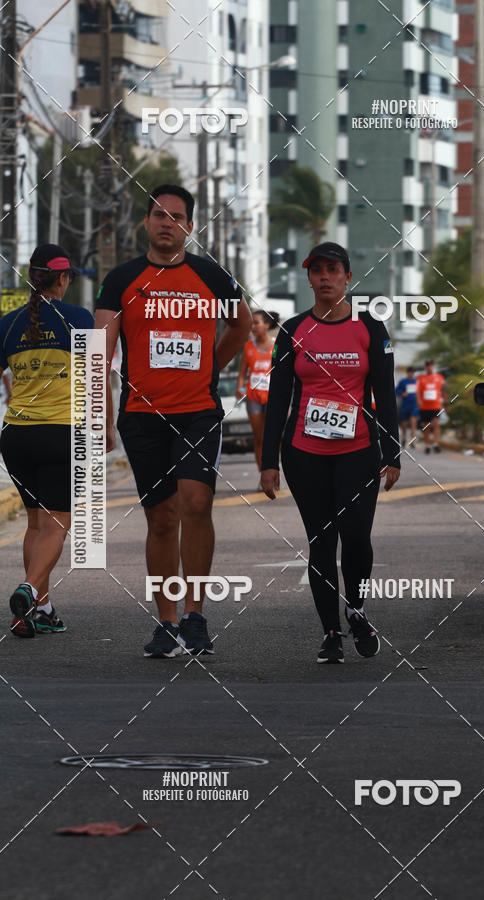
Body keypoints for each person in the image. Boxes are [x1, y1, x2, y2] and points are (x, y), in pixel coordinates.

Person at [94, 184, 251, 658]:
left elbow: (241, 325)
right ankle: (166, 623)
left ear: (190, 225)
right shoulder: (121, 279)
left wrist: (212, 369)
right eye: (160, 214)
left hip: (198, 412)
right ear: (147, 222)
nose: (168, 222)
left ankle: (195, 615)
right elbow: (100, 352)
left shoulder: (212, 276)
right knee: (161, 519)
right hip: (142, 416)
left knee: (196, 503)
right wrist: (99, 416)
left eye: (178, 216)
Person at [260, 242, 401, 664]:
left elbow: (385, 395)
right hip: (304, 452)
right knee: (321, 541)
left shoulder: (370, 328)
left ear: (347, 276)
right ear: (308, 278)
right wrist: (268, 462)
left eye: (332, 269)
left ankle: (356, 611)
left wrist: (391, 453)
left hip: (358, 449)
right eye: (316, 270)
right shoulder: (293, 329)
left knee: (356, 536)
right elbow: (278, 397)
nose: (324, 277)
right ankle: (329, 633)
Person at [0, 243, 93, 638]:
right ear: (63, 278)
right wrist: (101, 429)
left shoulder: (6, 323)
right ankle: (28, 589)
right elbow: (94, 377)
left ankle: (39, 610)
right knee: (56, 526)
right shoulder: (79, 318)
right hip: (61, 433)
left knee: (36, 525)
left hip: (16, 437)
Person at [236, 310, 279, 474]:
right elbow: (242, 373)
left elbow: (280, 369)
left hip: (272, 397)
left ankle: (274, 469)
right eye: (251, 323)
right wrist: (239, 388)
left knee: (272, 437)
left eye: (256, 323)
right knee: (259, 438)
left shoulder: (276, 346)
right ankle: (263, 474)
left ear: (267, 325)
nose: (252, 326)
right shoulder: (248, 347)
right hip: (253, 397)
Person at [416, 359, 448, 454]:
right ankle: (427, 445)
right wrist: (418, 401)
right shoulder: (421, 378)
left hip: (436, 405)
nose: (429, 367)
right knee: (427, 426)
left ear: (433, 367)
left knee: (436, 424)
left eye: (431, 365)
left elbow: (443, 390)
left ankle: (435, 444)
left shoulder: (439, 377)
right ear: (425, 367)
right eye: (427, 365)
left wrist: (446, 401)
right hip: (425, 407)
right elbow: (418, 391)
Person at [396, 366, 419, 448]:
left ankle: (412, 441)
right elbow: (397, 390)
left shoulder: (416, 381)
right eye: (410, 372)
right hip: (405, 405)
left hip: (414, 405)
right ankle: (404, 438)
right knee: (404, 424)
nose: (411, 374)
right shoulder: (403, 381)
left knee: (413, 423)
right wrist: (402, 393)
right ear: (407, 373)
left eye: (412, 372)